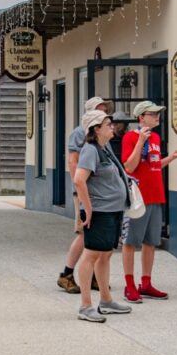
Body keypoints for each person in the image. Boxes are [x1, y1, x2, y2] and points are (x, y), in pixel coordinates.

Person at [120, 101, 177, 303]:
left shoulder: (156, 137)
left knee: (151, 242)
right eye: (153, 114)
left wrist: (173, 157)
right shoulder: (130, 137)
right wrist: (140, 141)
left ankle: (146, 283)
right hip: (137, 198)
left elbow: (154, 164)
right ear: (141, 117)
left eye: (158, 113)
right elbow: (130, 167)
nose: (157, 116)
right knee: (130, 242)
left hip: (156, 195)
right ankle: (129, 285)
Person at [72, 110, 133, 323]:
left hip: (113, 210)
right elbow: (79, 180)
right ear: (96, 129)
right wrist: (88, 209)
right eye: (108, 124)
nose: (112, 127)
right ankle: (85, 305)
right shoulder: (90, 150)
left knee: (105, 254)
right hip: (100, 211)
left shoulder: (104, 148)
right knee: (91, 255)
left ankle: (106, 300)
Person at [58, 97, 111, 294]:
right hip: (88, 192)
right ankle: (67, 274)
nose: (104, 112)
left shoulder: (105, 135)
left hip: (101, 193)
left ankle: (96, 277)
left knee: (97, 237)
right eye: (100, 109)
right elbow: (73, 162)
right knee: (84, 233)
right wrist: (80, 190)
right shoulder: (81, 133)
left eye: (105, 109)